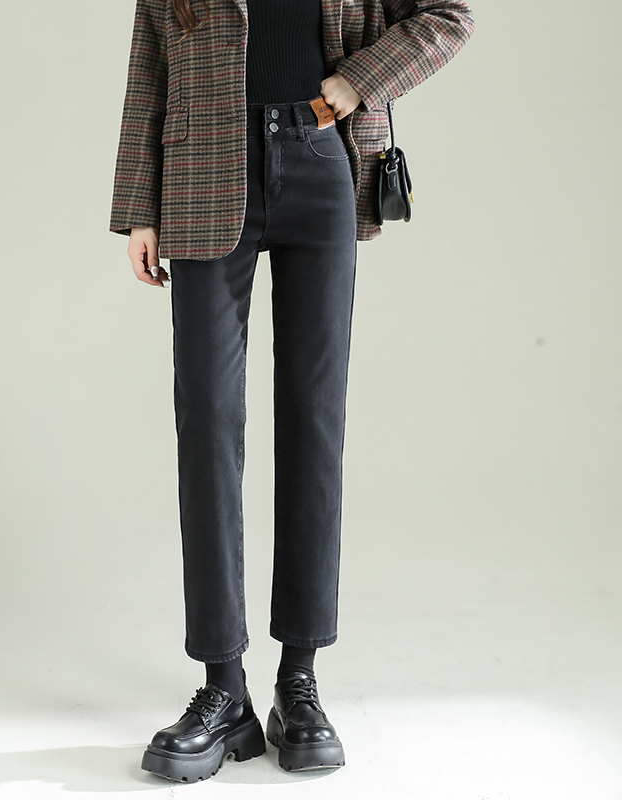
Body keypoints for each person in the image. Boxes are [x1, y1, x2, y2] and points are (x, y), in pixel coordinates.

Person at [109, 0, 474, 783]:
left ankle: (298, 681)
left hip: (319, 157)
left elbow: (447, 16)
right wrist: (137, 209)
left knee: (315, 420)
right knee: (208, 422)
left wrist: (357, 81)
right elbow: (149, 70)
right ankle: (223, 688)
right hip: (202, 173)